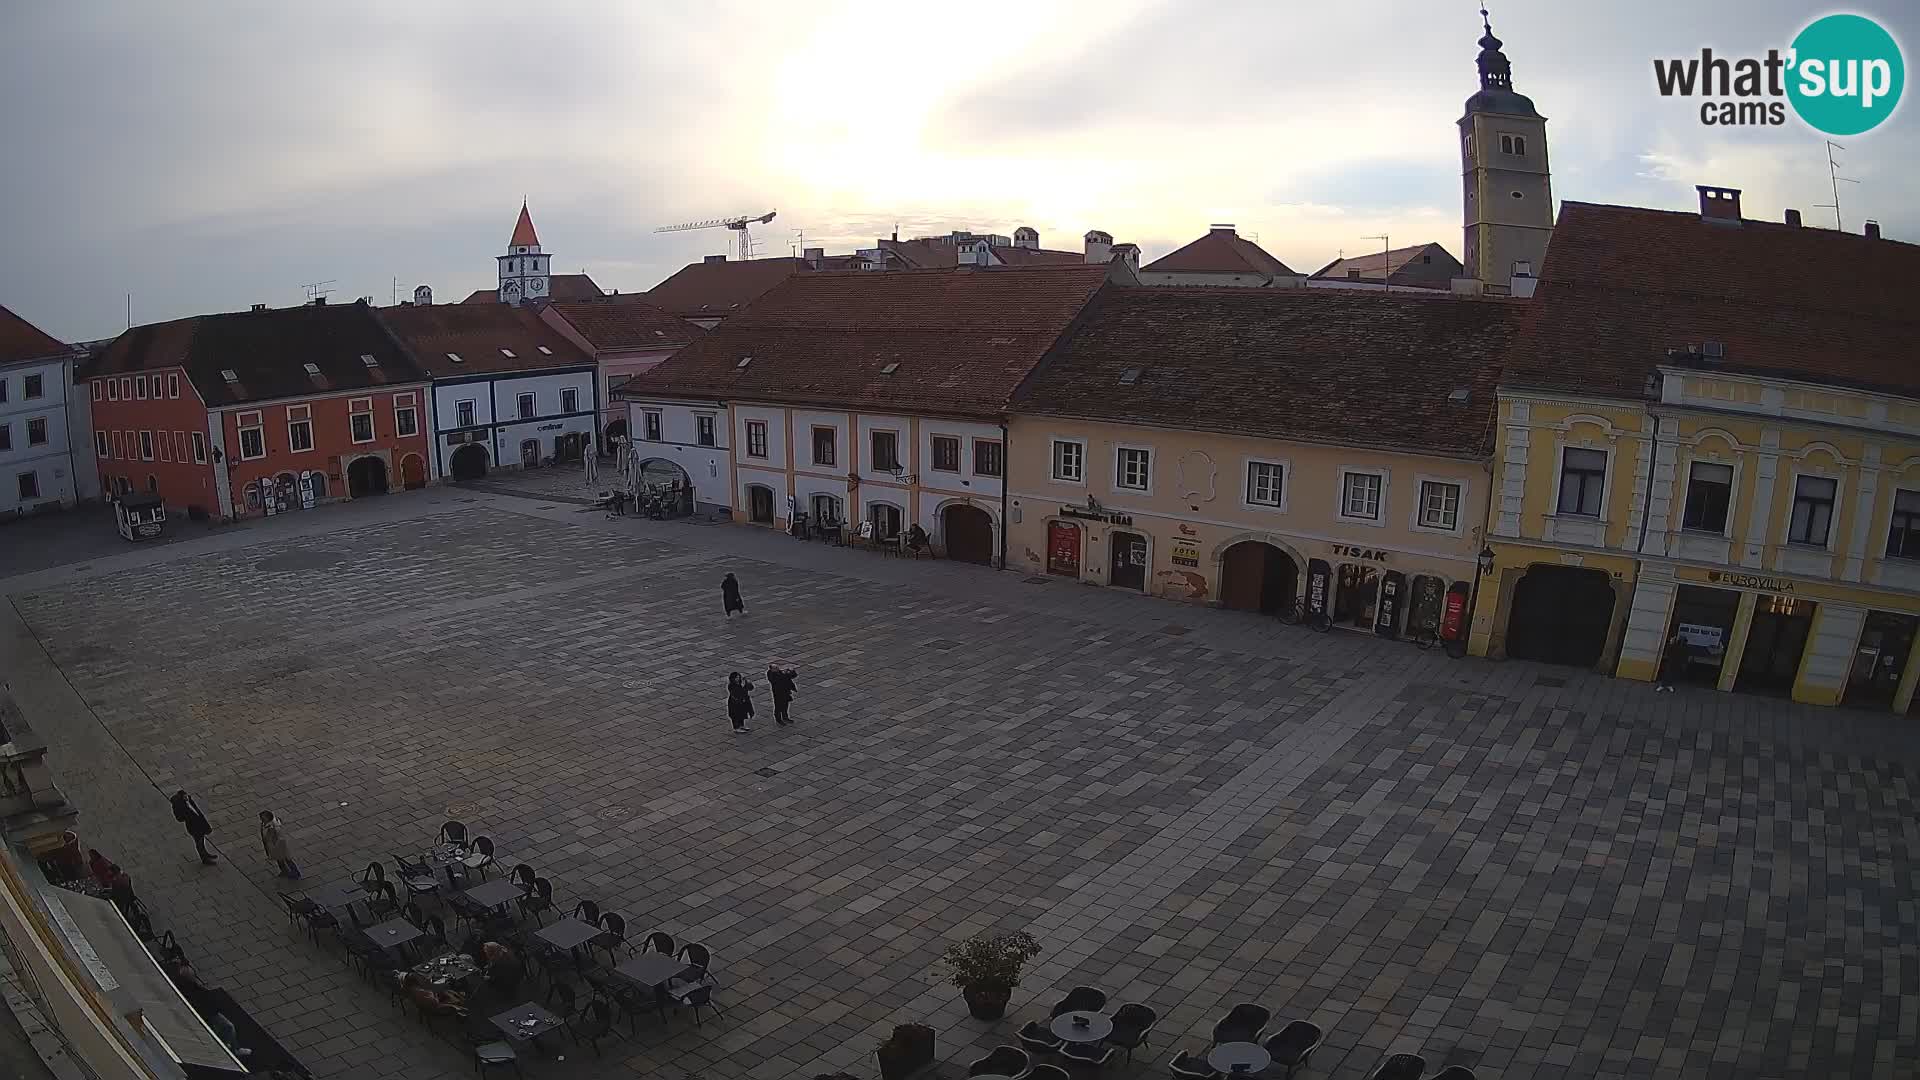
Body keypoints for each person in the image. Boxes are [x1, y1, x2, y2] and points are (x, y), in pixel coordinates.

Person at [171, 789, 217, 865]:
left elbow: (196, 809)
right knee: (199, 843)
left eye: (186, 796)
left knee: (202, 841)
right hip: (193, 827)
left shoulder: (189, 799)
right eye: (184, 797)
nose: (186, 798)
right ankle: (204, 859)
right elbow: (179, 819)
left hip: (200, 823)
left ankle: (206, 854)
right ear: (181, 798)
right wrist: (186, 814)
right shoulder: (179, 806)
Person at [258, 810, 300, 879]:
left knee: (287, 859)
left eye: (263, 818)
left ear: (268, 818)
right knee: (279, 859)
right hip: (272, 846)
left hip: (278, 845)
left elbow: (279, 836)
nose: (261, 819)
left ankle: (296, 873)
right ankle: (284, 871)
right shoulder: (264, 824)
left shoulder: (273, 826)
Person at [766, 662, 798, 727]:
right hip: (778, 694)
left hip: (786, 692)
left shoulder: (781, 672)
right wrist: (786, 673)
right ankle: (778, 719)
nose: (777, 669)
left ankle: (785, 717)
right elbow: (777, 680)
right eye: (775, 668)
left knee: (785, 705)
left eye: (777, 667)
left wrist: (792, 671)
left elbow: (793, 676)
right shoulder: (771, 674)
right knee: (778, 707)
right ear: (771, 669)